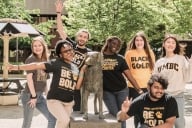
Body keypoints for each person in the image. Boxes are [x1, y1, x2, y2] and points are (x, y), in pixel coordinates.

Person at [8, 40, 87, 128]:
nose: (69, 52)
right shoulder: (56, 63)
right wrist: (17, 67)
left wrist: (82, 71)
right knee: (64, 120)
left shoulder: (75, 68)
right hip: (53, 100)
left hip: (68, 102)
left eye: (70, 50)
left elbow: (77, 87)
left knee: (62, 123)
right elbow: (36, 66)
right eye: (65, 51)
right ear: (60, 55)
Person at [55, 0, 91, 112]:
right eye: (80, 36)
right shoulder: (71, 45)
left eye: (85, 37)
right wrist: (58, 13)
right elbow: (60, 30)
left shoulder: (89, 52)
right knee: (62, 109)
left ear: (87, 39)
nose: (82, 38)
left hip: (77, 86)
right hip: (64, 80)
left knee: (76, 111)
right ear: (77, 37)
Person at [101, 36, 142, 128]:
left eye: (118, 45)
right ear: (108, 43)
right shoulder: (99, 57)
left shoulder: (120, 58)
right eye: (114, 43)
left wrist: (139, 90)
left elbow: (129, 76)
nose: (116, 46)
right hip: (107, 92)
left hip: (122, 91)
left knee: (123, 115)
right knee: (115, 114)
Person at [153, 34, 192, 128]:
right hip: (162, 97)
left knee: (179, 124)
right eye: (168, 42)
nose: (170, 44)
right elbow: (154, 81)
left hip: (178, 96)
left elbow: (188, 78)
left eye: (173, 43)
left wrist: (191, 64)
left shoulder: (181, 59)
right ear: (163, 44)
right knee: (163, 124)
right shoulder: (159, 62)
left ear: (175, 45)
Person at [19, 36, 56, 128]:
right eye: (35, 46)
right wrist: (33, 96)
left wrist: (48, 96)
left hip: (40, 96)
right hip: (29, 96)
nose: (37, 48)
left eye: (39, 45)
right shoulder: (31, 59)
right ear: (32, 48)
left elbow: (45, 81)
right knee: (27, 123)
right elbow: (29, 79)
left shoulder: (45, 60)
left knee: (52, 118)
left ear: (43, 46)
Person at [124, 31, 155, 127]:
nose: (139, 42)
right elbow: (125, 71)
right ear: (134, 42)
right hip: (134, 87)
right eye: (137, 40)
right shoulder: (129, 53)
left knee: (148, 112)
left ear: (144, 42)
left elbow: (153, 70)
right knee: (137, 112)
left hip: (148, 87)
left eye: (141, 40)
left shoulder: (149, 53)